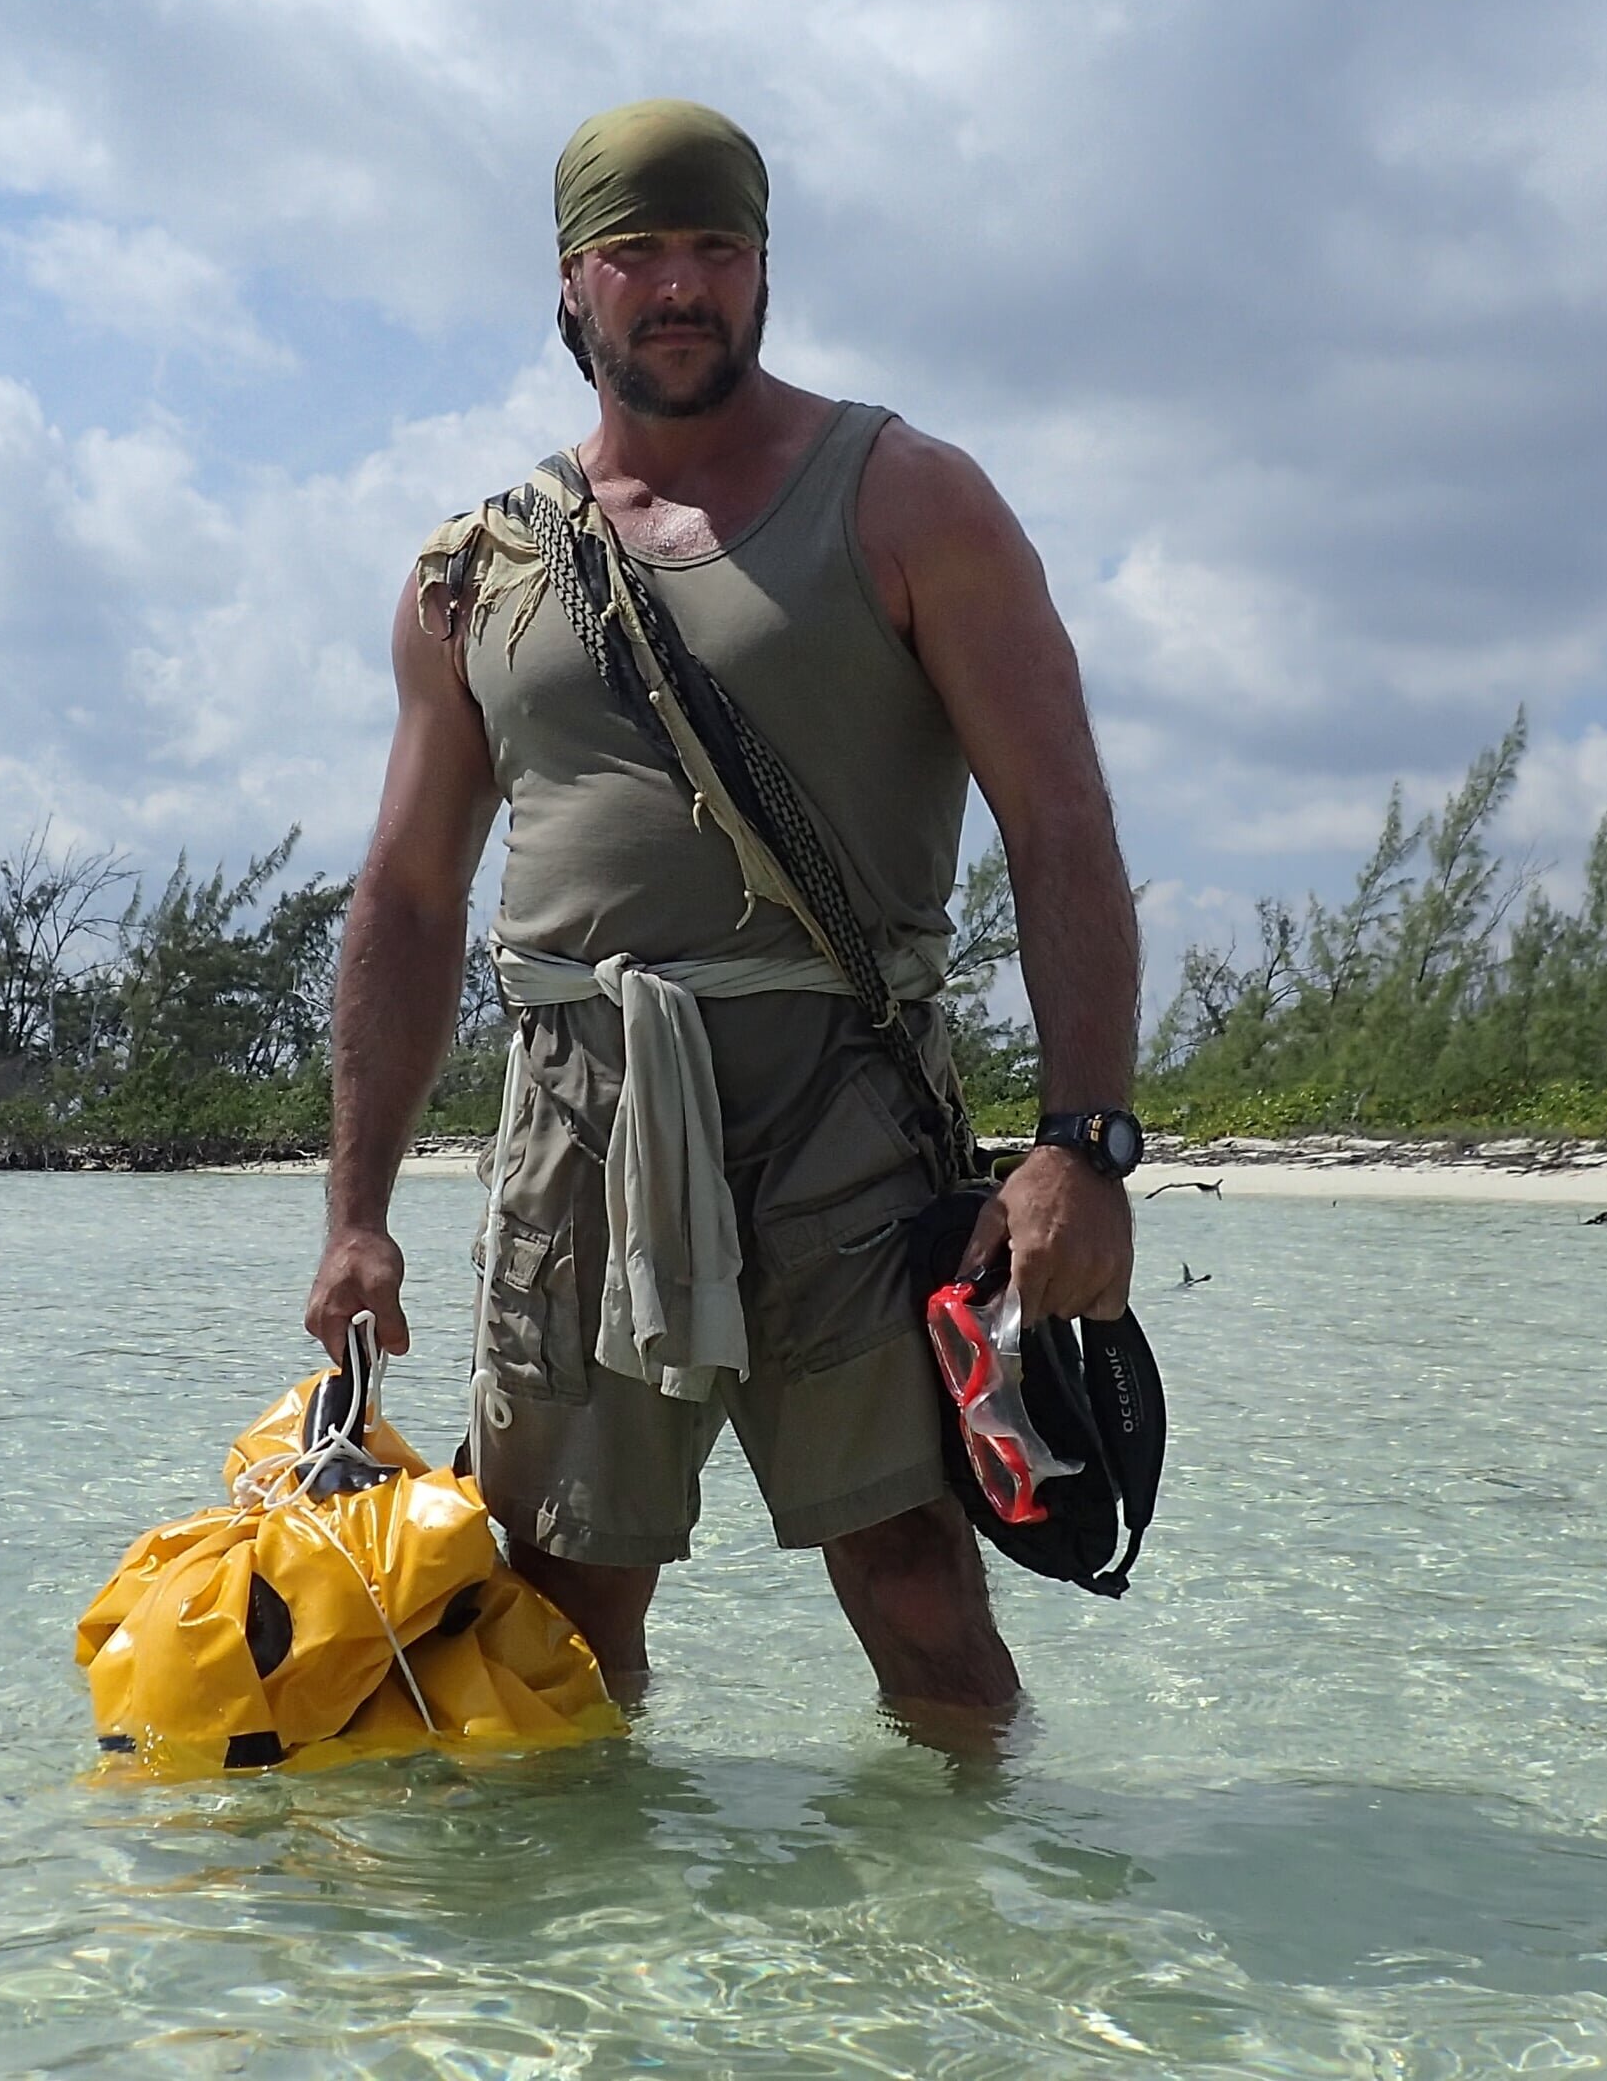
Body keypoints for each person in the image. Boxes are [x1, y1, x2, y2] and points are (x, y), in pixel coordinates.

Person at [302, 99, 1139, 1731]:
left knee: (915, 1581)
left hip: (847, 1107)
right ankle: (597, 1985)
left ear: (764, 276)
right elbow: (408, 897)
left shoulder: (909, 501)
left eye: (717, 251)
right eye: (638, 254)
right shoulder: (476, 573)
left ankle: (999, 1954)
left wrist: (1083, 1141)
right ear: (570, 285)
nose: (679, 287)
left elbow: (1062, 821)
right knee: (560, 1604)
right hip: (578, 1115)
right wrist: (355, 1212)